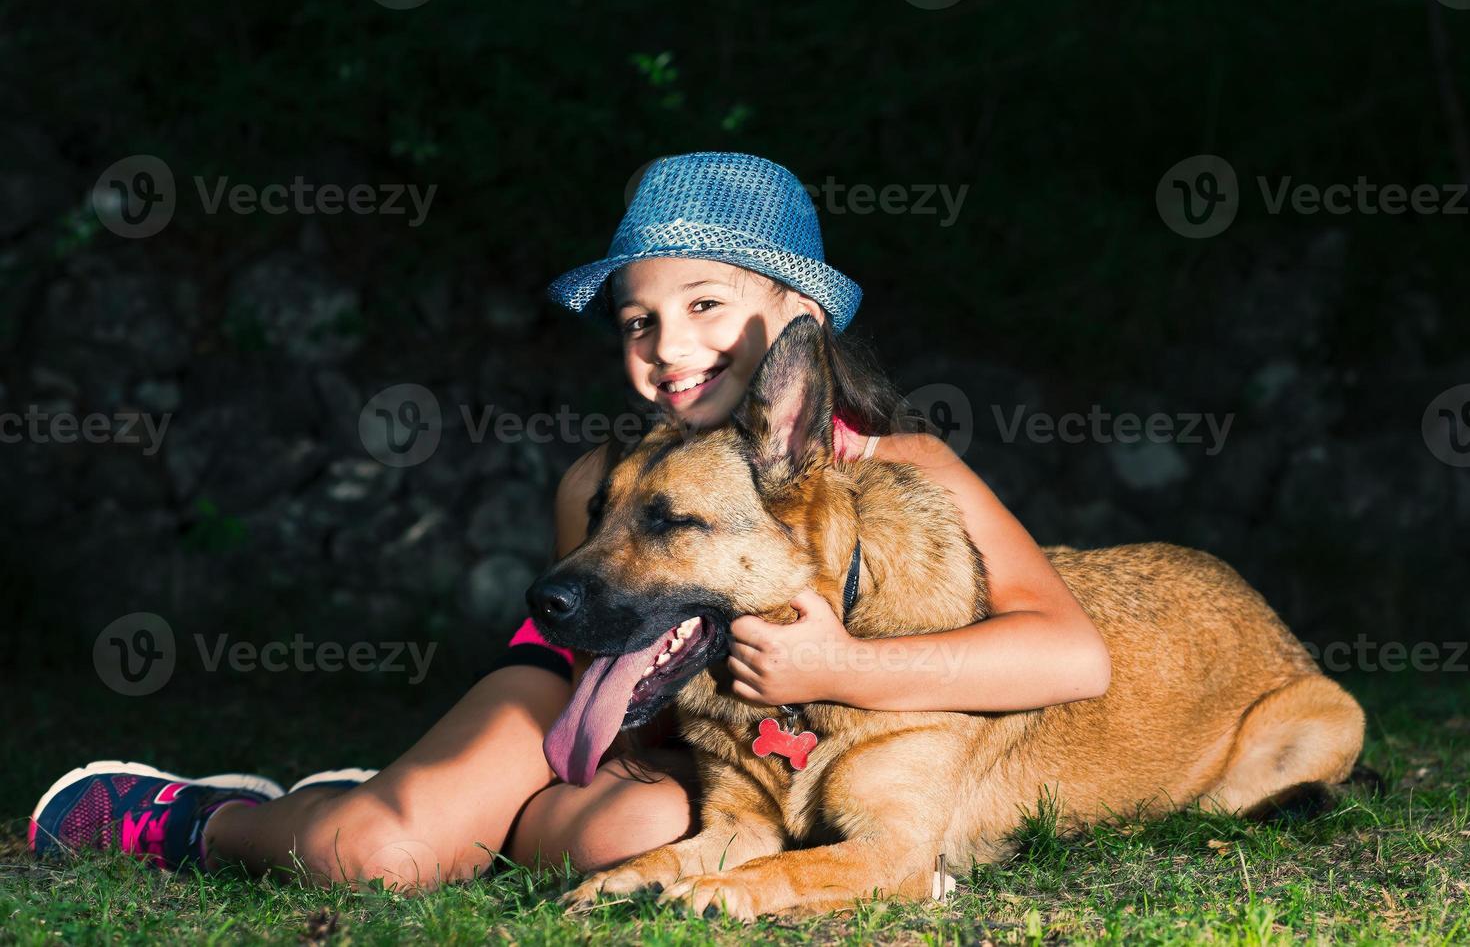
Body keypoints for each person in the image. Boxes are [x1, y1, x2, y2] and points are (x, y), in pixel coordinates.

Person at [29, 152, 1111, 890]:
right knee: (382, 852)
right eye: (639, 320)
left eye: (703, 305)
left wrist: (839, 668)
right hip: (579, 682)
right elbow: (603, 644)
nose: (666, 345)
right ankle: (205, 815)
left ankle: (440, 813)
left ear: (798, 320)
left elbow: (1069, 652)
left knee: (640, 834)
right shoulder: (606, 476)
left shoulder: (907, 471)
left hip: (705, 748)